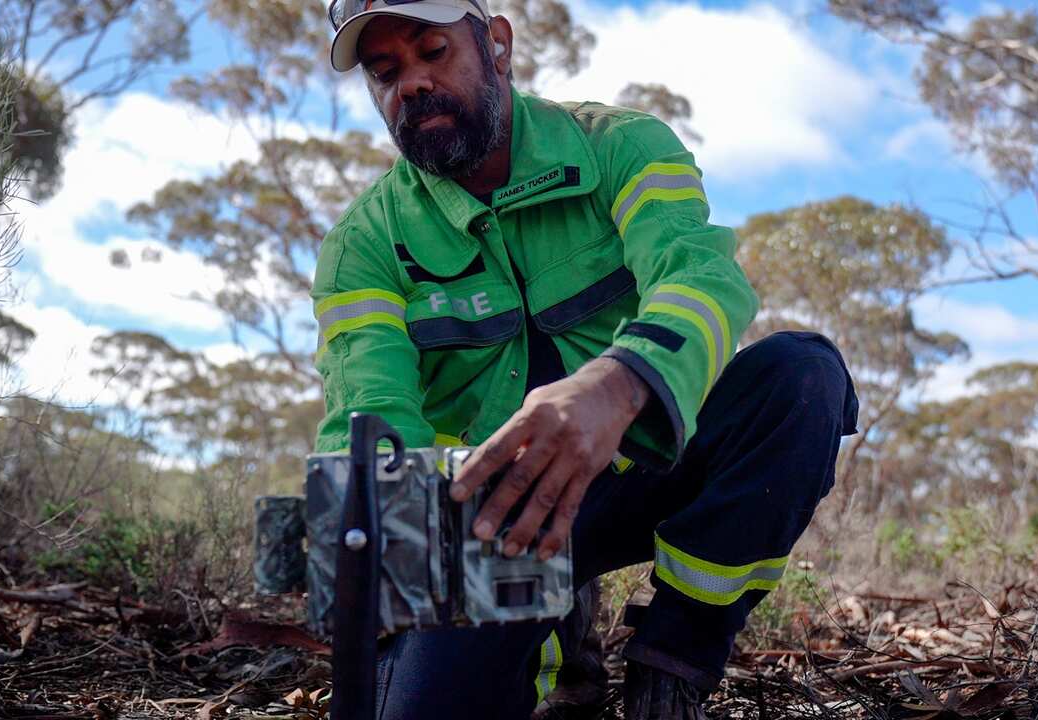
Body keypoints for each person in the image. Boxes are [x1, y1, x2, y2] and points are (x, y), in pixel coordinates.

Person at [313, 1, 860, 718]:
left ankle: (675, 660)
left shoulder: (619, 145)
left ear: (497, 45)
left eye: (433, 52)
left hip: (641, 460)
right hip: (492, 519)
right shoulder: (364, 244)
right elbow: (371, 411)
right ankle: (553, 632)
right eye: (385, 74)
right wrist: (380, 560)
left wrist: (620, 382)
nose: (409, 84)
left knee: (802, 378)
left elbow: (699, 278)